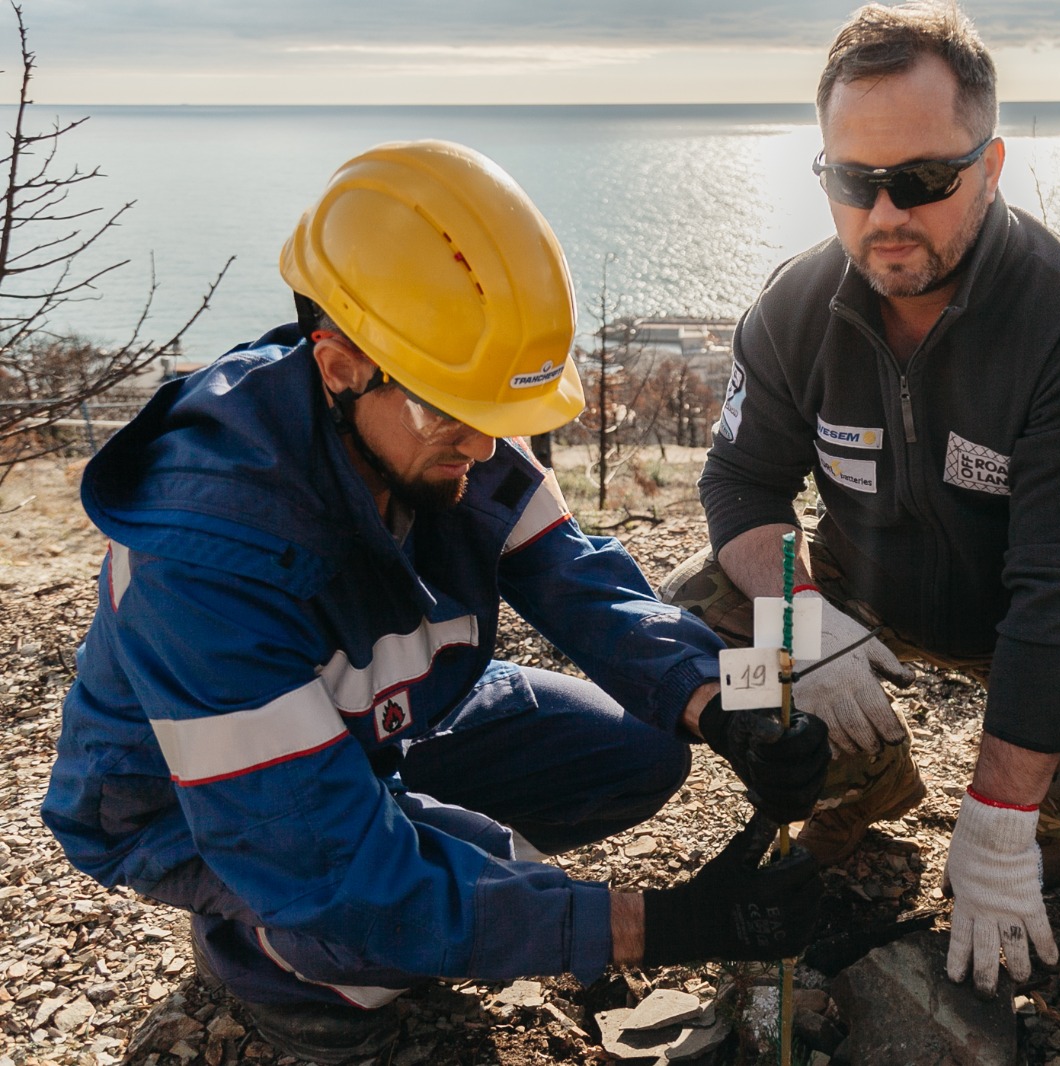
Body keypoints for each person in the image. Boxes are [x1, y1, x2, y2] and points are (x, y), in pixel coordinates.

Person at [41, 140, 831, 1065]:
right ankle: (260, 946)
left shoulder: (445, 429)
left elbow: (584, 584)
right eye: (455, 411)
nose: (486, 446)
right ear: (338, 366)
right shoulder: (206, 563)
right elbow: (340, 873)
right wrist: (658, 926)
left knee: (639, 749)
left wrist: (720, 703)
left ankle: (422, 846)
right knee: (370, 930)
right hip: (188, 798)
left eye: (501, 413)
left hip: (369, 725)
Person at [661, 1, 1060, 997]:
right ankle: (864, 779)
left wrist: (995, 824)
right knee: (693, 624)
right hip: (864, 601)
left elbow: (1059, 587)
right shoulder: (792, 307)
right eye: (852, 181)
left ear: (988, 168)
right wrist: (796, 611)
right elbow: (739, 478)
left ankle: (1048, 827)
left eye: (922, 180)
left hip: (1030, 616)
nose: (884, 214)